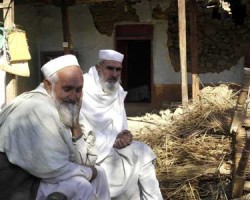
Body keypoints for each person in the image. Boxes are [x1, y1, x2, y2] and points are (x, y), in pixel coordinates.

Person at [0, 54, 110, 200]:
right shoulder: (35, 108)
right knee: (81, 186)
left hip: (43, 178)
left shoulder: (65, 107)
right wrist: (89, 172)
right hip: (21, 185)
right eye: (68, 89)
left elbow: (85, 161)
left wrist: (75, 124)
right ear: (48, 85)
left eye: (78, 90)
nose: (73, 96)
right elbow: (53, 169)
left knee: (100, 173)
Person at [80, 49, 163, 199]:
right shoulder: (82, 89)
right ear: (99, 68)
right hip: (90, 151)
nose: (114, 74)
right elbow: (81, 130)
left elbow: (121, 127)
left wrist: (125, 136)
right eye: (110, 68)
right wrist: (112, 140)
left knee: (144, 153)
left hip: (114, 146)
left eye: (118, 69)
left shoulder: (118, 90)